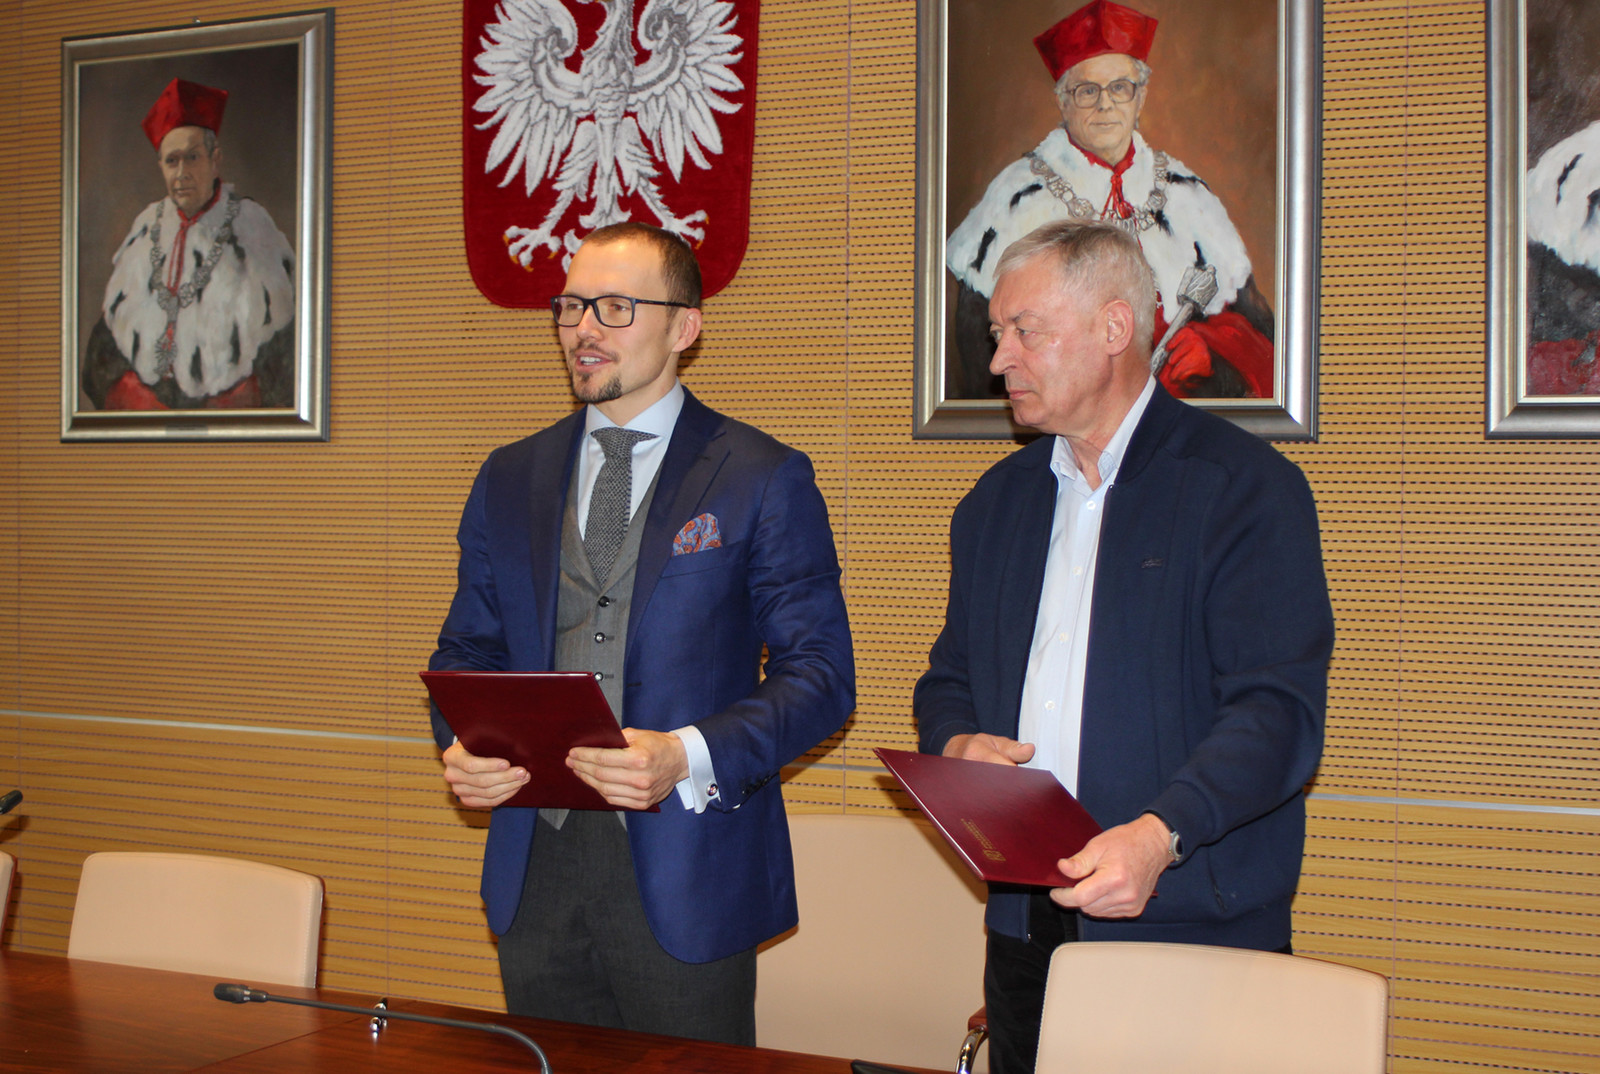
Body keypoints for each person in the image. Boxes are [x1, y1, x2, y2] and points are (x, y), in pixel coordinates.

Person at [914, 220, 1332, 1074]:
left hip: (1187, 915)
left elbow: (1276, 713)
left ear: (1114, 328)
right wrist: (957, 747)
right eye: (996, 333)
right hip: (1026, 925)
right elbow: (948, 678)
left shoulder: (1242, 490)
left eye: (1025, 331)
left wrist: (1160, 834)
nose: (999, 360)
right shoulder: (994, 505)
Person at [428, 221, 854, 1044]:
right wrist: (465, 744)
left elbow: (821, 677)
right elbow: (467, 651)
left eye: (615, 307)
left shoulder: (761, 475)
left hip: (691, 866)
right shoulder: (509, 475)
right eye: (571, 306)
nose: (583, 329)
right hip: (535, 867)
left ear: (684, 327)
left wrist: (684, 754)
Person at [945, 0, 1274, 401]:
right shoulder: (1016, 197)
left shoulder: (1188, 194)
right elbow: (983, 362)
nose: (1105, 104)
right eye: (1087, 91)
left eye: (1120, 87)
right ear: (1062, 101)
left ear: (1141, 98)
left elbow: (1259, 337)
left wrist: (1210, 355)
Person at [81, 77, 296, 410]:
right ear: (161, 167)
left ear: (215, 160)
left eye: (192, 157)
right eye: (172, 161)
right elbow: (101, 356)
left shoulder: (254, 229)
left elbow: (286, 352)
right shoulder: (144, 230)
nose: (181, 173)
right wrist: (127, 394)